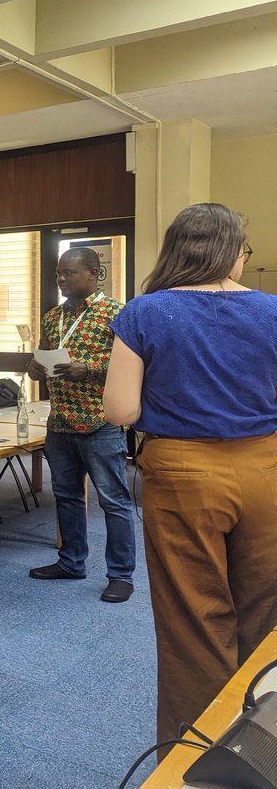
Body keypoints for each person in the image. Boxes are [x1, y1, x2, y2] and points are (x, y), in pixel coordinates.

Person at [104, 203, 277, 751]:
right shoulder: (273, 312)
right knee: (265, 609)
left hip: (182, 475)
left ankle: (199, 758)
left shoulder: (146, 312)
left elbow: (120, 411)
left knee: (193, 620)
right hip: (266, 470)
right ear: (232, 252)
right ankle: (261, 747)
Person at [25, 247, 134, 603]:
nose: (61, 279)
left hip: (100, 423)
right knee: (67, 497)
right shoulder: (52, 316)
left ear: (94, 274)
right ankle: (71, 562)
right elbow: (42, 353)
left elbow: (133, 365)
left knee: (114, 502)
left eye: (69, 273)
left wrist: (91, 368)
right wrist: (34, 367)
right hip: (60, 422)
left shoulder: (117, 313)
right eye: (59, 273)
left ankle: (121, 575)